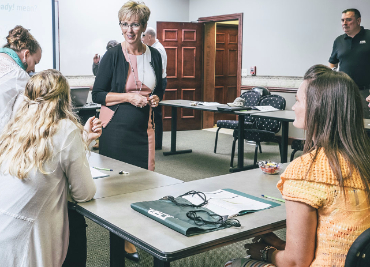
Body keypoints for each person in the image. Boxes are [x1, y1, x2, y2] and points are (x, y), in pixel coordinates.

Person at [226, 65, 370, 267]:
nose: (294, 107)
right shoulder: (364, 160)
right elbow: (338, 236)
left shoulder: (307, 170)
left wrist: (266, 253)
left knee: (234, 264)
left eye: (299, 100)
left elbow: (296, 263)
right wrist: (280, 244)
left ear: (319, 109)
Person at [0, 69, 102, 266]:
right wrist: (80, 142)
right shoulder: (65, 128)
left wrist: (84, 141)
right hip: (28, 246)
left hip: (4, 235)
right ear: (64, 99)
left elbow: (47, 162)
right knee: (76, 220)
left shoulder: (13, 129)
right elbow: (84, 193)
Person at [92, 0, 163, 262]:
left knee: (144, 185)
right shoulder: (112, 55)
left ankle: (136, 234)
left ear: (144, 26)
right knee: (119, 188)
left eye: (134, 24)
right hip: (117, 129)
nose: (129, 30)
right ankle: (122, 242)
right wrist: (127, 97)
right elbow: (97, 94)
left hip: (145, 130)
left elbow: (159, 86)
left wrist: (155, 98)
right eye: (124, 24)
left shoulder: (154, 54)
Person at [329, 8, 370, 118]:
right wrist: (333, 75)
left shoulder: (369, 36)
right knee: (344, 124)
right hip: (343, 92)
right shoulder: (339, 41)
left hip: (365, 93)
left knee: (365, 127)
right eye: (342, 20)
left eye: (348, 20)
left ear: (358, 20)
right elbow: (333, 62)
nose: (344, 23)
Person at [0, 25, 42, 131]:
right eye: (35, 62)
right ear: (26, 54)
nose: (33, 69)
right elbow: (21, 120)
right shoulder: (20, 76)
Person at [142, 27, 167, 149]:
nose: (142, 39)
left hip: (159, 82)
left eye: (143, 36)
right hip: (156, 82)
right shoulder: (153, 48)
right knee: (153, 113)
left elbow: (159, 70)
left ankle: (157, 144)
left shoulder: (158, 50)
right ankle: (153, 142)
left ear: (149, 37)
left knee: (156, 113)